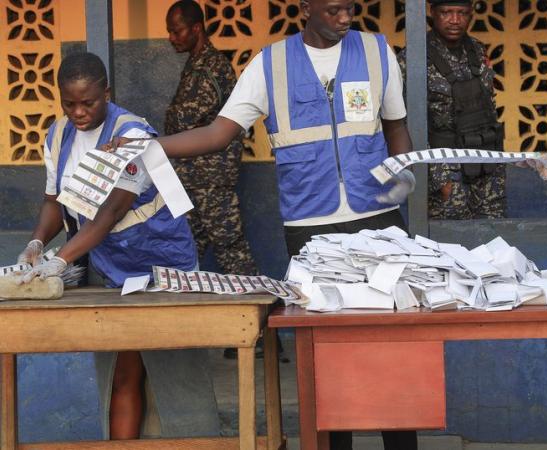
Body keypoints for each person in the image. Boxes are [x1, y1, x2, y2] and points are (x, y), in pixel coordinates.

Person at [107, 1, 418, 448]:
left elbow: (397, 126)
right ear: (307, 8)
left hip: (380, 222)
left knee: (389, 351)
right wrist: (151, 146)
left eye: (349, 8)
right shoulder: (269, 64)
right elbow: (218, 133)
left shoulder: (376, 51)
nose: (345, 17)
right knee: (326, 359)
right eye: (333, 10)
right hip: (312, 229)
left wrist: (401, 171)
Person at [17, 52, 219, 440]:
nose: (78, 112)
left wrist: (59, 260)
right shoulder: (58, 135)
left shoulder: (133, 134)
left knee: (179, 374)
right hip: (110, 267)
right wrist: (37, 242)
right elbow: (55, 201)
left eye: (88, 102)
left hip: (162, 265)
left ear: (106, 93)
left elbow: (108, 213)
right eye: (69, 103)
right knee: (122, 368)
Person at [165, 0, 259, 361]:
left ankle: (260, 332)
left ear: (196, 28)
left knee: (232, 250)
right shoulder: (196, 65)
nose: (172, 37)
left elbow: (190, 124)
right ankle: (185, 332)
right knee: (186, 249)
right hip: (194, 179)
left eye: (177, 30)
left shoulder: (212, 68)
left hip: (211, 180)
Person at [397, 0, 505, 220]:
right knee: (450, 241)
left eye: (462, 13)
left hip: (486, 164)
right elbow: (407, 124)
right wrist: (437, 179)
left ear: (471, 14)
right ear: (432, 12)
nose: (455, 20)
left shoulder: (477, 49)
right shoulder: (414, 58)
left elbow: (489, 107)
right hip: (445, 167)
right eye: (447, 12)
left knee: (494, 238)